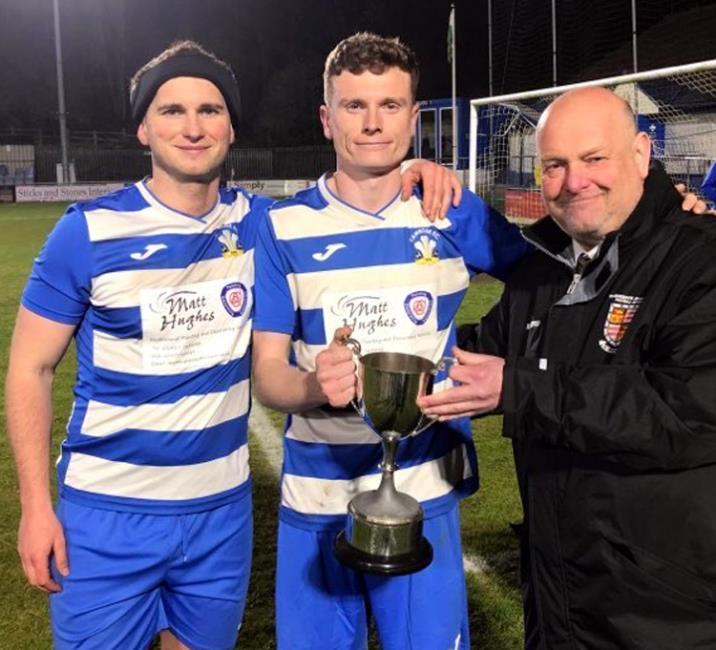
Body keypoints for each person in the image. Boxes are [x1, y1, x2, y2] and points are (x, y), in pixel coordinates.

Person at [4, 39, 460, 650]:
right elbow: (30, 368)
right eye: (172, 111)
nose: (193, 127)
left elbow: (345, 199)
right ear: (143, 127)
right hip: (108, 512)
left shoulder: (262, 224)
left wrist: (414, 169)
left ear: (230, 127)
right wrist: (35, 506)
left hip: (220, 513)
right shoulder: (87, 232)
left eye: (210, 110)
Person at [251, 32, 531, 650]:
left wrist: (494, 354)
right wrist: (310, 386)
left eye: (390, 106)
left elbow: (549, 280)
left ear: (413, 114)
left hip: (426, 487)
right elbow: (266, 373)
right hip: (316, 493)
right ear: (327, 118)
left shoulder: (451, 209)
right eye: (354, 106)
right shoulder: (280, 225)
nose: (373, 124)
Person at [419, 87, 716, 649]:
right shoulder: (547, 270)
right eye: (555, 165)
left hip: (666, 617)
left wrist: (519, 387)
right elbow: (473, 355)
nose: (574, 181)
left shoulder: (698, 258)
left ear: (641, 154)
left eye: (594, 159)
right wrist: (375, 358)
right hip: (558, 606)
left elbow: (685, 412)